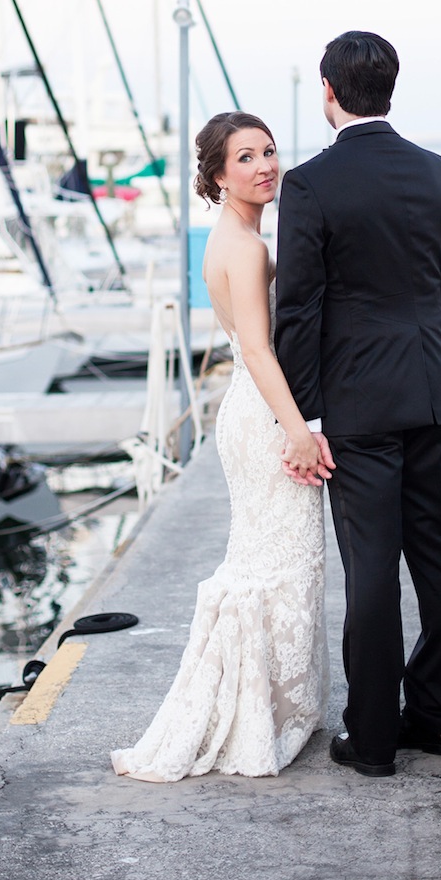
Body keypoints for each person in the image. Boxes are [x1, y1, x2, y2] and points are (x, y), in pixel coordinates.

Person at [275, 31, 441, 778]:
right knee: (437, 554)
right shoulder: (436, 171)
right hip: (428, 392)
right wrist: (419, 342)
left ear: (326, 91)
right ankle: (439, 721)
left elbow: (297, 311)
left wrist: (305, 414)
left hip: (357, 405)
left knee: (371, 566)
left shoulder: (308, 185)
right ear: (389, 90)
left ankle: (370, 739)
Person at [111, 112, 331, 782]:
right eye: (245, 158)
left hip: (249, 408)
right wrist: (297, 429)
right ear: (215, 175)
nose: (264, 166)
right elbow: (261, 351)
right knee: (280, 564)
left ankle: (265, 707)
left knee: (269, 559)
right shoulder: (246, 246)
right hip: (265, 415)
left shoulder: (233, 233)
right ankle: (253, 719)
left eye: (268, 152)